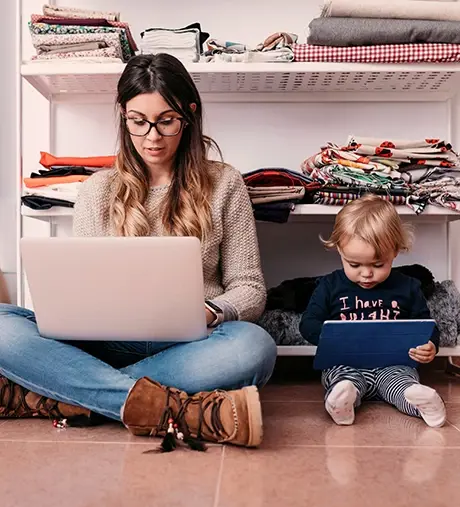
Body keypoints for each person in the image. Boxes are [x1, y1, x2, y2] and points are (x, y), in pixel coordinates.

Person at [0, 53, 277, 447]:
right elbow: (83, 287)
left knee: (254, 347)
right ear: (123, 116)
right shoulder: (98, 189)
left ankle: (73, 394)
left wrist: (210, 310)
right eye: (138, 121)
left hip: (192, 343)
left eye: (166, 121)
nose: (152, 136)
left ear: (189, 115)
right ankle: (172, 407)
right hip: (107, 343)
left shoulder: (224, 183)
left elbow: (249, 287)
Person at [299, 194, 446, 428]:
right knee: (342, 380)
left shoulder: (407, 286)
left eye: (378, 265)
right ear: (340, 250)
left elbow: (424, 324)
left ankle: (421, 401)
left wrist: (430, 346)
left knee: (401, 383)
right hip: (346, 362)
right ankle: (343, 401)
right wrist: (330, 340)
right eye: (354, 264)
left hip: (393, 364)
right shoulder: (330, 285)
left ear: (395, 252)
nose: (366, 274)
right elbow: (308, 323)